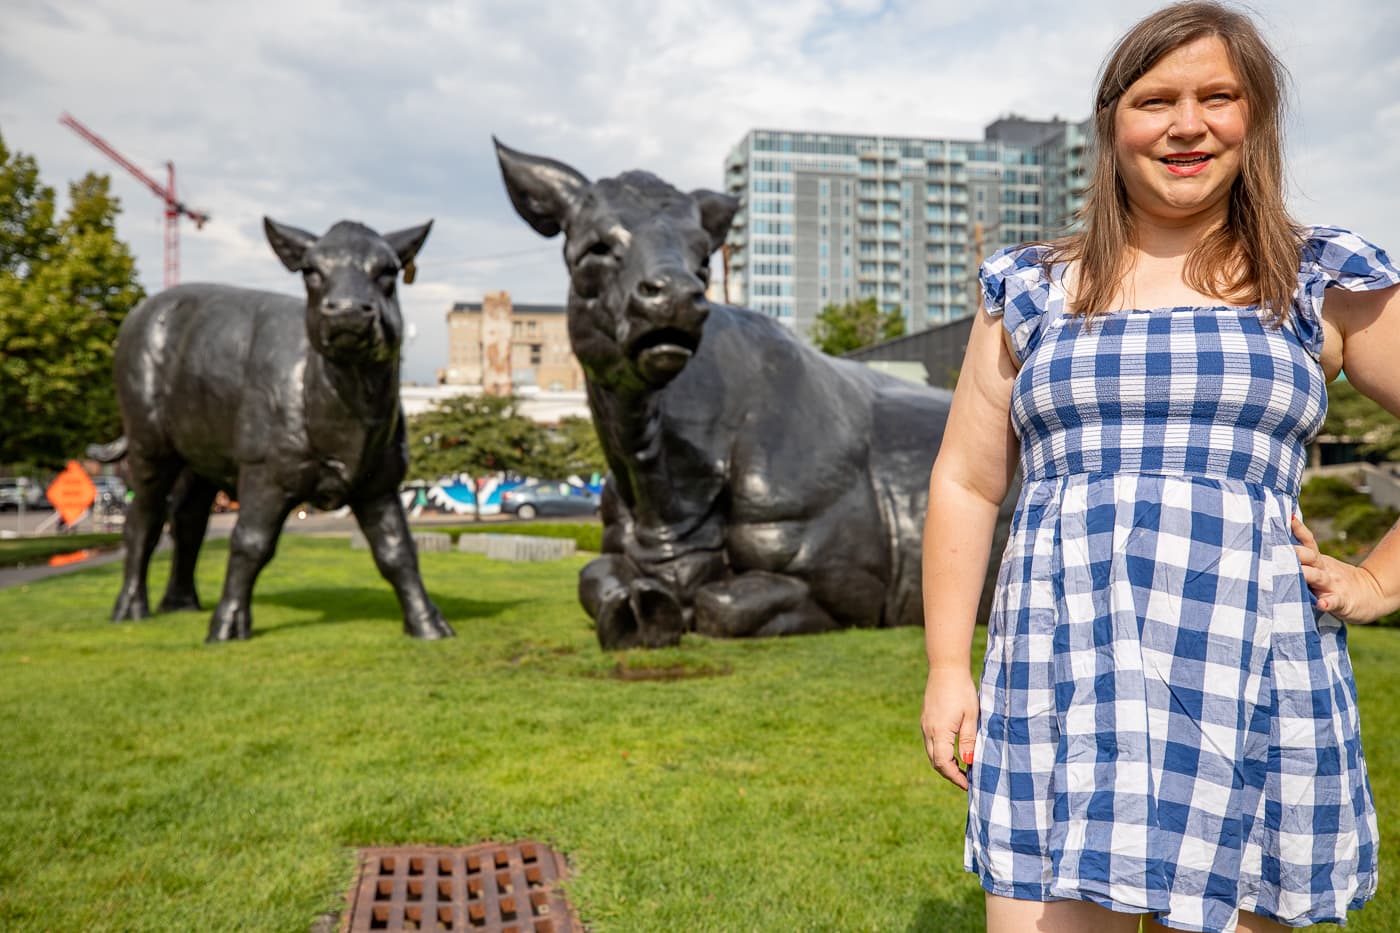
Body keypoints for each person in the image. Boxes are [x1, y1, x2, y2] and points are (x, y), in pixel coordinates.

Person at [919, 3, 1400, 931]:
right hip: (1062, 672)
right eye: (1156, 99)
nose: (1188, 124)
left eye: (1218, 96)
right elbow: (967, 484)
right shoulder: (1029, 287)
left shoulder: (1319, 279)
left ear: (1253, 117)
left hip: (1254, 675)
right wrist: (948, 666)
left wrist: (1378, 580)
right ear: (1113, 123)